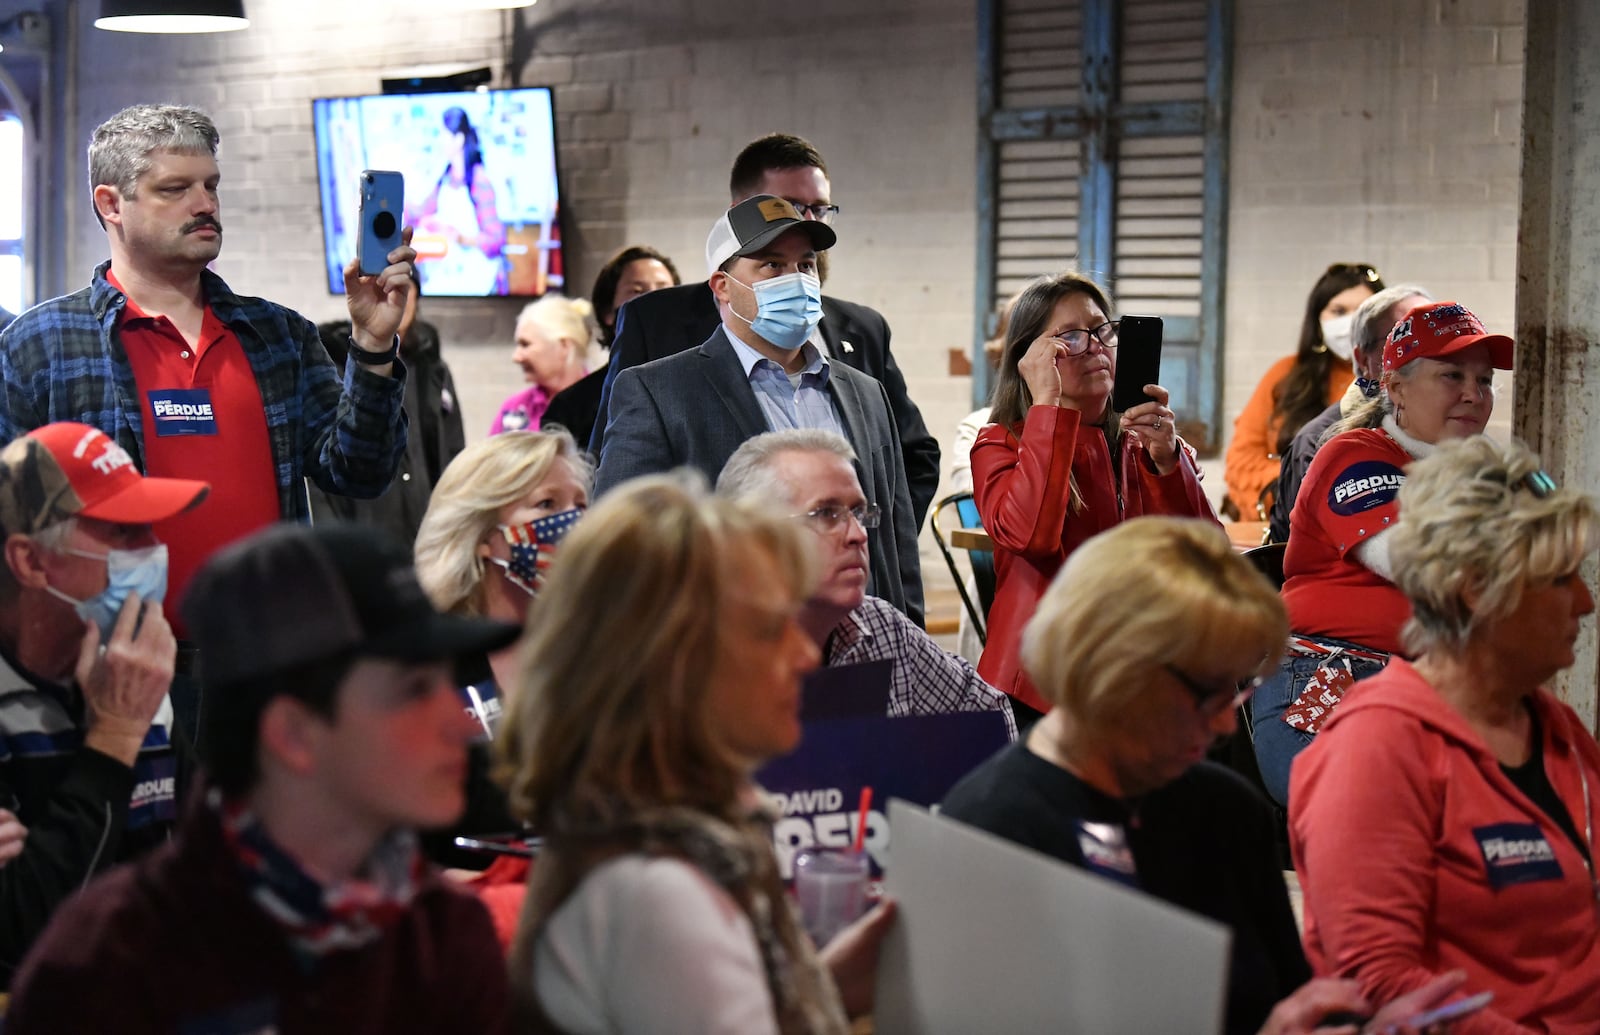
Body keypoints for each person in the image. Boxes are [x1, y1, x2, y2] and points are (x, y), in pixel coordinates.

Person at [941, 517, 1464, 1035]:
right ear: (1116, 673)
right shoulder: (993, 831)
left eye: (1235, 692)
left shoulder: (1227, 813)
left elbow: (1285, 998)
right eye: (1208, 693)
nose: (1221, 724)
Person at [5, 523, 518, 1033]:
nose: (460, 720)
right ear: (293, 734)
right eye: (413, 690)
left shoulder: (444, 934)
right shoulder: (104, 964)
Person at [501, 474, 894, 1032]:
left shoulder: (652, 836)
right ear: (675, 667)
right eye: (768, 630)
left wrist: (820, 988)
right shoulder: (659, 896)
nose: (805, 657)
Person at [0, 103, 412, 634]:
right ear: (111, 204)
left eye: (211, 186)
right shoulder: (40, 346)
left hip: (269, 656)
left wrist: (374, 345)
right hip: (108, 660)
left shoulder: (278, 334)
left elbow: (361, 471)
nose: (205, 204)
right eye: (175, 189)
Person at [1292, 436, 1600, 1033]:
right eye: (1561, 579)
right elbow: (1378, 983)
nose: (1585, 603)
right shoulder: (1377, 749)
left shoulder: (1555, 729)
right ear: (1480, 589)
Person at [595, 194, 925, 624]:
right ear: (723, 286)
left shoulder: (866, 393)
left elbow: (896, 545)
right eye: (771, 265)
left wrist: (908, 641)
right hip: (729, 651)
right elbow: (621, 543)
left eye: (805, 265)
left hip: (856, 645)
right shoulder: (659, 391)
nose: (796, 279)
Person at [593, 132, 940, 529]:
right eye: (791, 207)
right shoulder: (658, 337)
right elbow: (622, 512)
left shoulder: (863, 343)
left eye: (818, 209)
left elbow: (907, 462)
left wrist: (873, 543)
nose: (804, 220)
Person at [1251, 300, 1514, 807]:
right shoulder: (1354, 455)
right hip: (1334, 678)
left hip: (1434, 691)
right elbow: (1421, 563)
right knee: (1400, 813)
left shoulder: (1481, 477)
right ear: (1395, 387)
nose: (1472, 394)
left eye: (1484, 382)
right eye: (1451, 375)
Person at [0, 421, 207, 986]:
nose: (155, 551)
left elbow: (211, 867)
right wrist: (114, 737)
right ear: (32, 562)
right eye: (123, 531)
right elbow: (25, 938)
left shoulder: (135, 673)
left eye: (151, 528)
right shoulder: (129, 695)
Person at [971, 271, 1214, 723]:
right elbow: (1032, 537)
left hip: (1134, 671)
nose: (1097, 347)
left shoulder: (1142, 442)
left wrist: (1167, 463)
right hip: (1039, 686)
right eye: (1071, 337)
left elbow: (1203, 555)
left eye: (1102, 330)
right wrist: (1048, 405)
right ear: (1031, 357)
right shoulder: (1000, 443)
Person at [717, 429, 1015, 736]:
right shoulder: (698, 660)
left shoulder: (881, 629)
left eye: (858, 513)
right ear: (755, 538)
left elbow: (991, 719)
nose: (859, 534)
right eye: (827, 514)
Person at [310, 271, 467, 546]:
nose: (393, 297)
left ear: (416, 296)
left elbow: (454, 450)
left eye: (403, 288)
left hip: (428, 524)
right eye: (383, 288)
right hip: (364, 525)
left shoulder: (434, 370)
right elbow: (321, 464)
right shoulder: (336, 367)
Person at [1268, 284, 1432, 544]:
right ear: (1364, 360)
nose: (1422, 355)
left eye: (1433, 342)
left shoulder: (1447, 429)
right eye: (1402, 341)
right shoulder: (1318, 443)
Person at [1224, 263, 1383, 521]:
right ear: (1318, 319)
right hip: (1282, 528)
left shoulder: (1399, 384)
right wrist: (1294, 483)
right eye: (1339, 311)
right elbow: (1241, 461)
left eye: (1363, 311)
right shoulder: (1285, 375)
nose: (1351, 322)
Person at [543, 244, 682, 449]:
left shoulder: (701, 385)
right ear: (608, 311)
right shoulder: (571, 405)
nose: (654, 300)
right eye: (637, 291)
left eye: (664, 289)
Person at [408, 106, 507, 296]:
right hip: (449, 273)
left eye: (443, 135)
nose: (440, 141)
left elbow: (495, 240)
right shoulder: (445, 177)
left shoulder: (479, 181)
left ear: (459, 139)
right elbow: (423, 211)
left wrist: (461, 237)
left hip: (478, 278)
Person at [492, 294, 598, 435]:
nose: (516, 357)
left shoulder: (604, 405)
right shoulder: (514, 408)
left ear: (564, 346)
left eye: (525, 344)